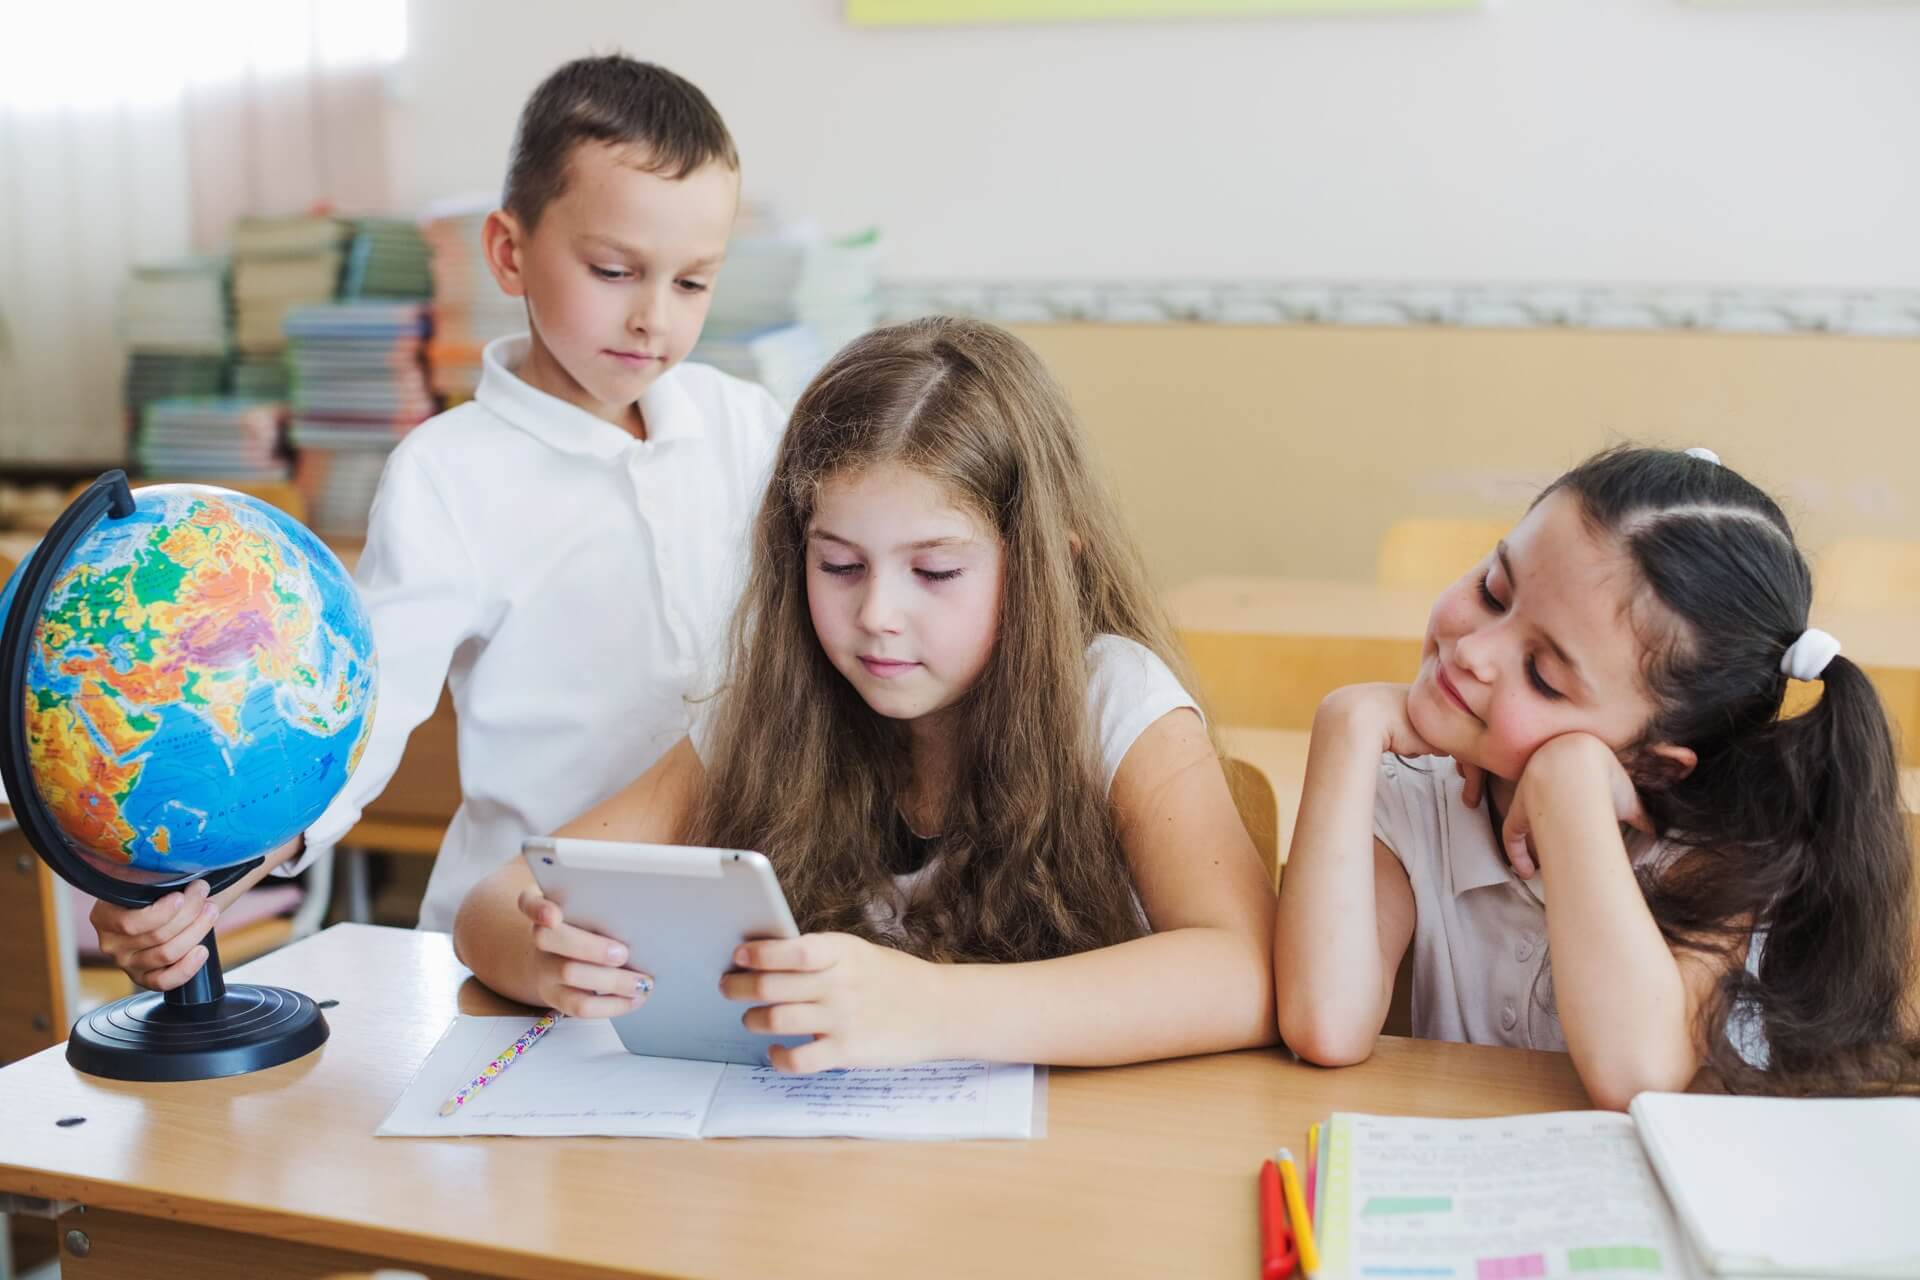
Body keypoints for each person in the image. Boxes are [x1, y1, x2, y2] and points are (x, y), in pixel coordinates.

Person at [92, 55, 784, 989]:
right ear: (508, 252)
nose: (654, 318)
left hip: (734, 928)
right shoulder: (449, 474)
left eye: (694, 284)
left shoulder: (746, 424)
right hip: (530, 934)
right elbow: (353, 722)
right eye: (614, 270)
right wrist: (203, 891)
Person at [455, 317, 1277, 1073]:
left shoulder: (1113, 699)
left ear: (1046, 566)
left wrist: (932, 1008)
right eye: (839, 566)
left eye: (936, 571)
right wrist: (547, 959)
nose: (877, 616)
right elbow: (495, 903)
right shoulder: (780, 702)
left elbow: (1246, 970)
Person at [1275, 445, 1920, 1107]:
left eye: (1544, 677)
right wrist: (1345, 727)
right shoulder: (1411, 787)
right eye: (1493, 591)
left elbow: (1637, 1074)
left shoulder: (1721, 848)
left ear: (1652, 762)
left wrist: (1568, 784)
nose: (1473, 651)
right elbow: (1327, 1024)